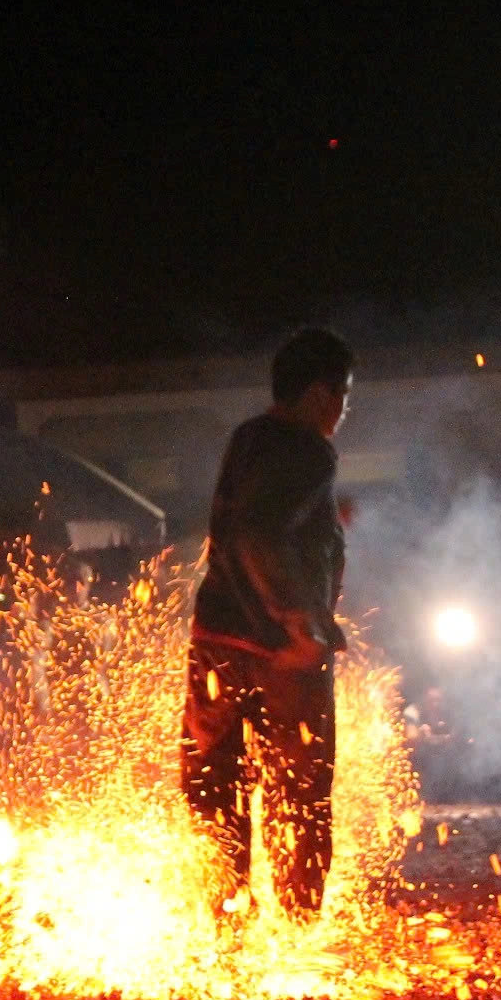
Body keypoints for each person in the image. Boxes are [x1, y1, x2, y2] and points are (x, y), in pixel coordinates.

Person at [183, 327, 354, 918]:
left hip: (215, 644)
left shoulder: (247, 439)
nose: (342, 411)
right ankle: (298, 929)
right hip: (279, 652)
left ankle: (226, 922)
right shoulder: (305, 449)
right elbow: (260, 533)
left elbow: (249, 527)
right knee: (300, 792)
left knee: (215, 784)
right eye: (342, 396)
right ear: (317, 395)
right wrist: (299, 621)